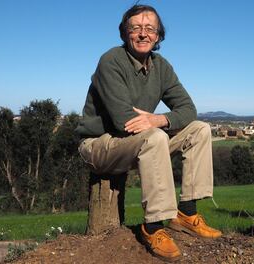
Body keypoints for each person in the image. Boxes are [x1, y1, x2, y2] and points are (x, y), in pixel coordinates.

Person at [75, 4, 221, 262]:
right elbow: (124, 121)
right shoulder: (111, 61)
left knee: (199, 130)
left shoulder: (161, 66)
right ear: (125, 33)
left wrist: (160, 118)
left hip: (134, 142)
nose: (143, 34)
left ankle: (186, 213)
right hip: (98, 145)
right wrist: (156, 125)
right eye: (136, 28)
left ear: (158, 36)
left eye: (149, 29)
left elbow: (189, 109)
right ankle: (153, 227)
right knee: (155, 137)